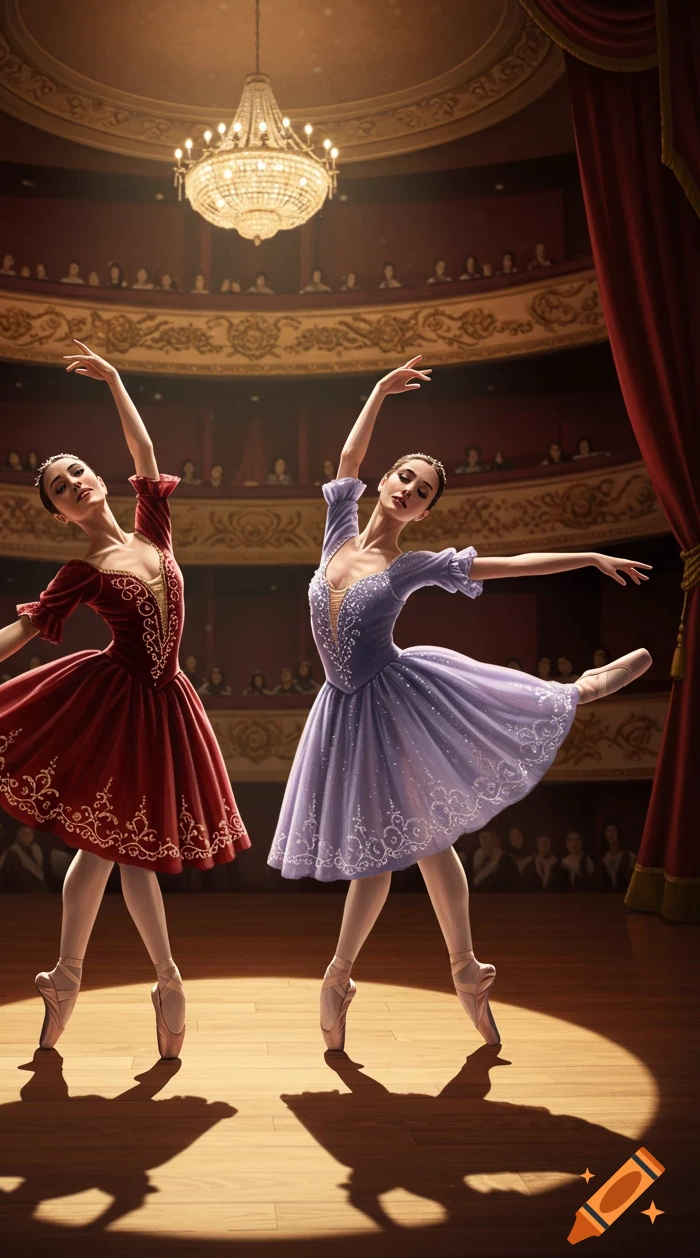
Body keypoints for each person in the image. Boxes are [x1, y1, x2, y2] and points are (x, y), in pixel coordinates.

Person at [267, 355, 652, 1053]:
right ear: (386, 480)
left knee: (411, 843)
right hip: (344, 713)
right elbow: (348, 457)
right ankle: (447, 973)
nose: (409, 491)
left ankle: (576, 689)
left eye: (423, 492)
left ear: (424, 512)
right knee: (407, 845)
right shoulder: (337, 530)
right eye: (405, 477)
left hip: (393, 702)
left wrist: (589, 557)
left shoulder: (411, 566)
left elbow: (506, 566)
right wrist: (378, 391)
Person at [0, 340, 249, 1057]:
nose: (74, 484)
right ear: (60, 514)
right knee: (116, 850)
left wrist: (116, 381)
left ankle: (75, 979)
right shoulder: (85, 568)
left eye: (77, 472)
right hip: (118, 706)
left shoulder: (152, 526)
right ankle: (155, 982)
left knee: (111, 850)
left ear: (98, 478)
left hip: (166, 705)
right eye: (60, 489)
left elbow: (145, 452)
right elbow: (23, 628)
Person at [598, 820, 636, 893]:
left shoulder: (630, 856)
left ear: (619, 833)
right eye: (608, 831)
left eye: (613, 831)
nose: (611, 834)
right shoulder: (603, 859)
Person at [8, 824, 48, 892]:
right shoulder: (13, 851)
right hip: (25, 889)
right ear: (18, 835)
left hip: (40, 888)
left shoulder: (36, 848)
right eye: (24, 834)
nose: (28, 836)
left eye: (30, 833)